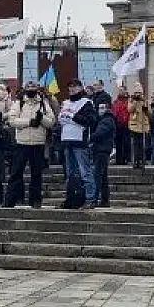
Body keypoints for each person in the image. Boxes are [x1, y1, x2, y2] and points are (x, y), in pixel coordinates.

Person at [5, 82, 55, 208]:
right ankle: (10, 200)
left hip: (38, 143)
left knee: (37, 174)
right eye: (29, 88)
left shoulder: (44, 104)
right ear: (25, 90)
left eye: (33, 88)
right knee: (16, 172)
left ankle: (36, 200)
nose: (31, 90)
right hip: (22, 142)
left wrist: (41, 118)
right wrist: (28, 122)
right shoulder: (19, 103)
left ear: (37, 90)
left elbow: (51, 122)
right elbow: (12, 120)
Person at [59, 79, 99, 209]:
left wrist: (73, 116)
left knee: (85, 171)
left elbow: (90, 121)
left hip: (80, 142)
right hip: (67, 140)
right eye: (70, 87)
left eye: (75, 87)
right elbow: (61, 120)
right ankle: (72, 198)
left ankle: (90, 198)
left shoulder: (86, 103)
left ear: (80, 88)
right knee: (70, 173)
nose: (72, 89)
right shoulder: (65, 103)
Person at [90, 102, 116, 207]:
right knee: (103, 176)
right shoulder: (104, 120)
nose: (99, 109)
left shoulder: (107, 121)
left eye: (102, 107)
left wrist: (89, 138)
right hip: (102, 150)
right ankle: (105, 200)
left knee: (97, 175)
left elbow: (99, 134)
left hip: (102, 150)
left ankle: (94, 198)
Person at [127, 84, 150, 168]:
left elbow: (149, 113)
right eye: (136, 93)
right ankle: (135, 161)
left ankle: (141, 161)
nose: (138, 94)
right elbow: (129, 110)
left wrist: (144, 106)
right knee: (135, 144)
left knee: (142, 144)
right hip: (134, 125)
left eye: (139, 93)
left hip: (143, 126)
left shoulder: (144, 101)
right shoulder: (131, 101)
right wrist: (135, 103)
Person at [112, 86, 131, 165]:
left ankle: (126, 158)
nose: (120, 91)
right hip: (117, 124)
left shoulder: (128, 101)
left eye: (122, 90)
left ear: (125, 91)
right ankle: (118, 159)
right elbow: (114, 111)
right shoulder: (116, 101)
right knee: (118, 142)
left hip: (126, 124)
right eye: (119, 90)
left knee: (126, 142)